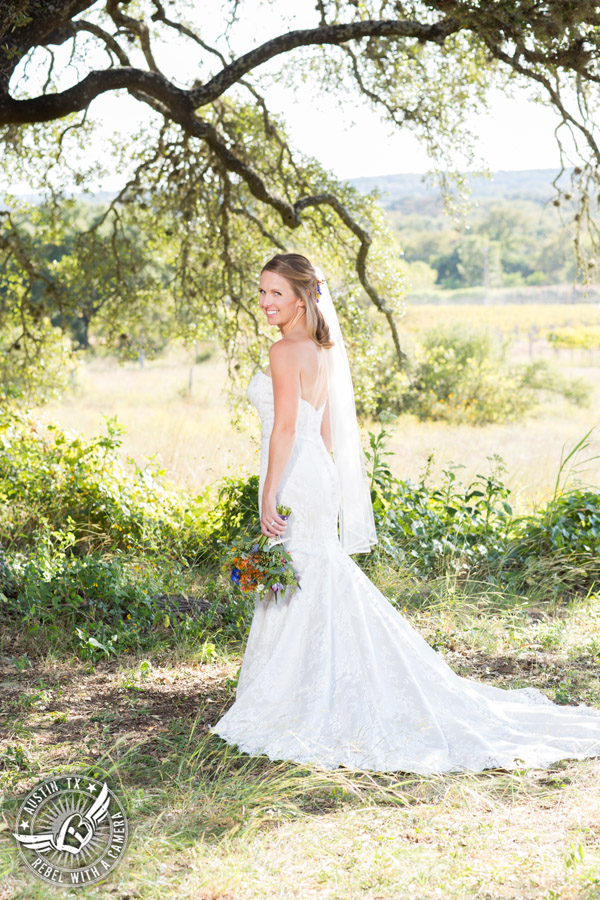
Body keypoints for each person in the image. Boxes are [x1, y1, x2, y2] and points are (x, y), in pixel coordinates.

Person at [210, 252, 600, 774]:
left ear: (302, 298)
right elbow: (322, 431)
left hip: (294, 477)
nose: (264, 302)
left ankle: (292, 696)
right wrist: (314, 481)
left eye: (275, 293)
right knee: (314, 573)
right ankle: (310, 683)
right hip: (315, 474)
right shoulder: (322, 349)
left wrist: (268, 494)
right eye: (261, 292)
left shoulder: (286, 351)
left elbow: (284, 430)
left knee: (305, 574)